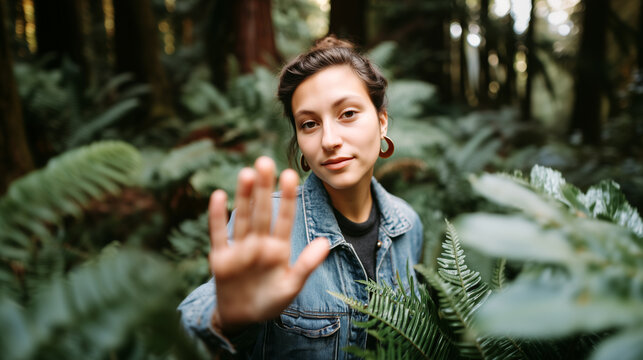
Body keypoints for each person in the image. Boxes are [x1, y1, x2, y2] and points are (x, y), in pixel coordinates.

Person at [178, 36, 423, 359]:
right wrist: (224, 317)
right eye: (309, 124)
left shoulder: (408, 226)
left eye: (347, 113)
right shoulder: (266, 222)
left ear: (381, 122)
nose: (329, 140)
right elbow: (184, 331)